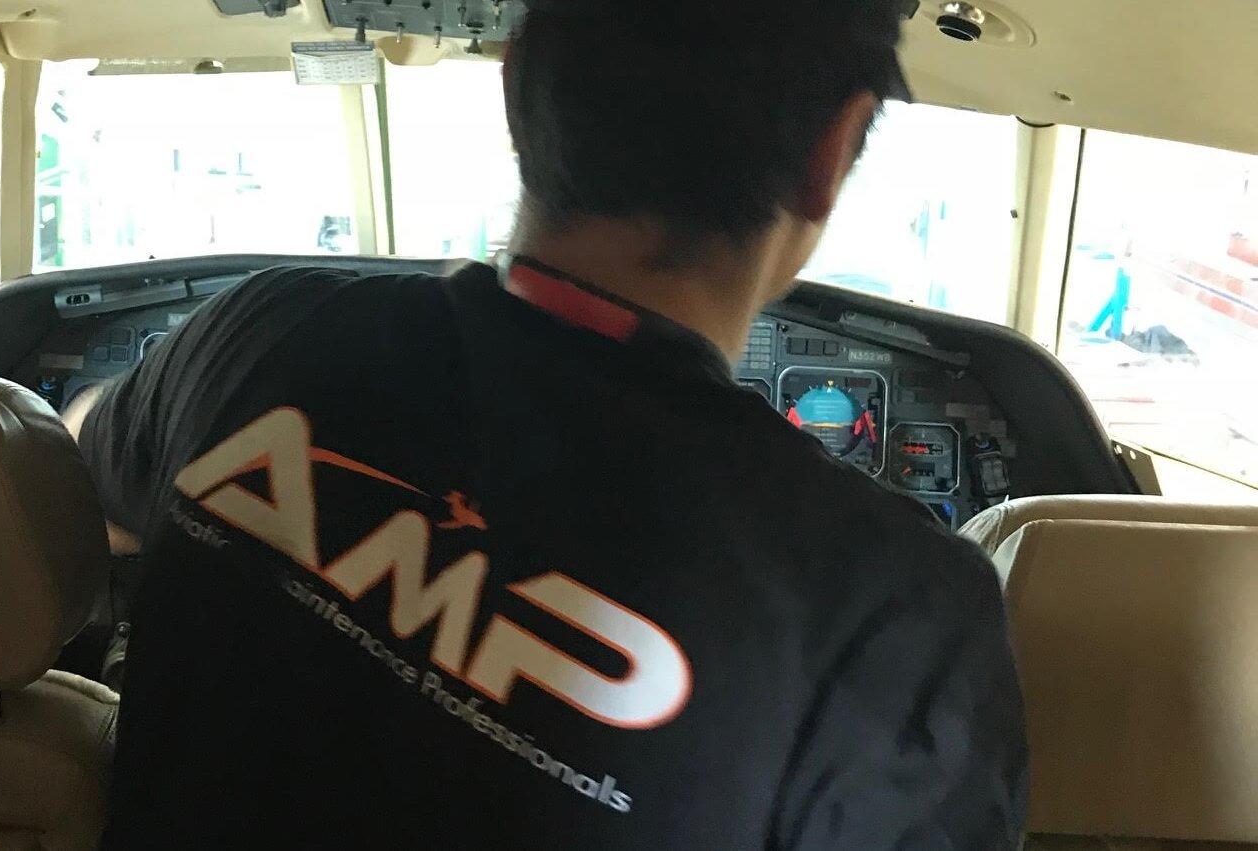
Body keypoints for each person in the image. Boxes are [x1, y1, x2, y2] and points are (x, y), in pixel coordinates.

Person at [73, 1, 1029, 847]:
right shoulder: (896, 615)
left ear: (516, 82)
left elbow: (79, 457)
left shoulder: (260, 334)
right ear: (832, 153)